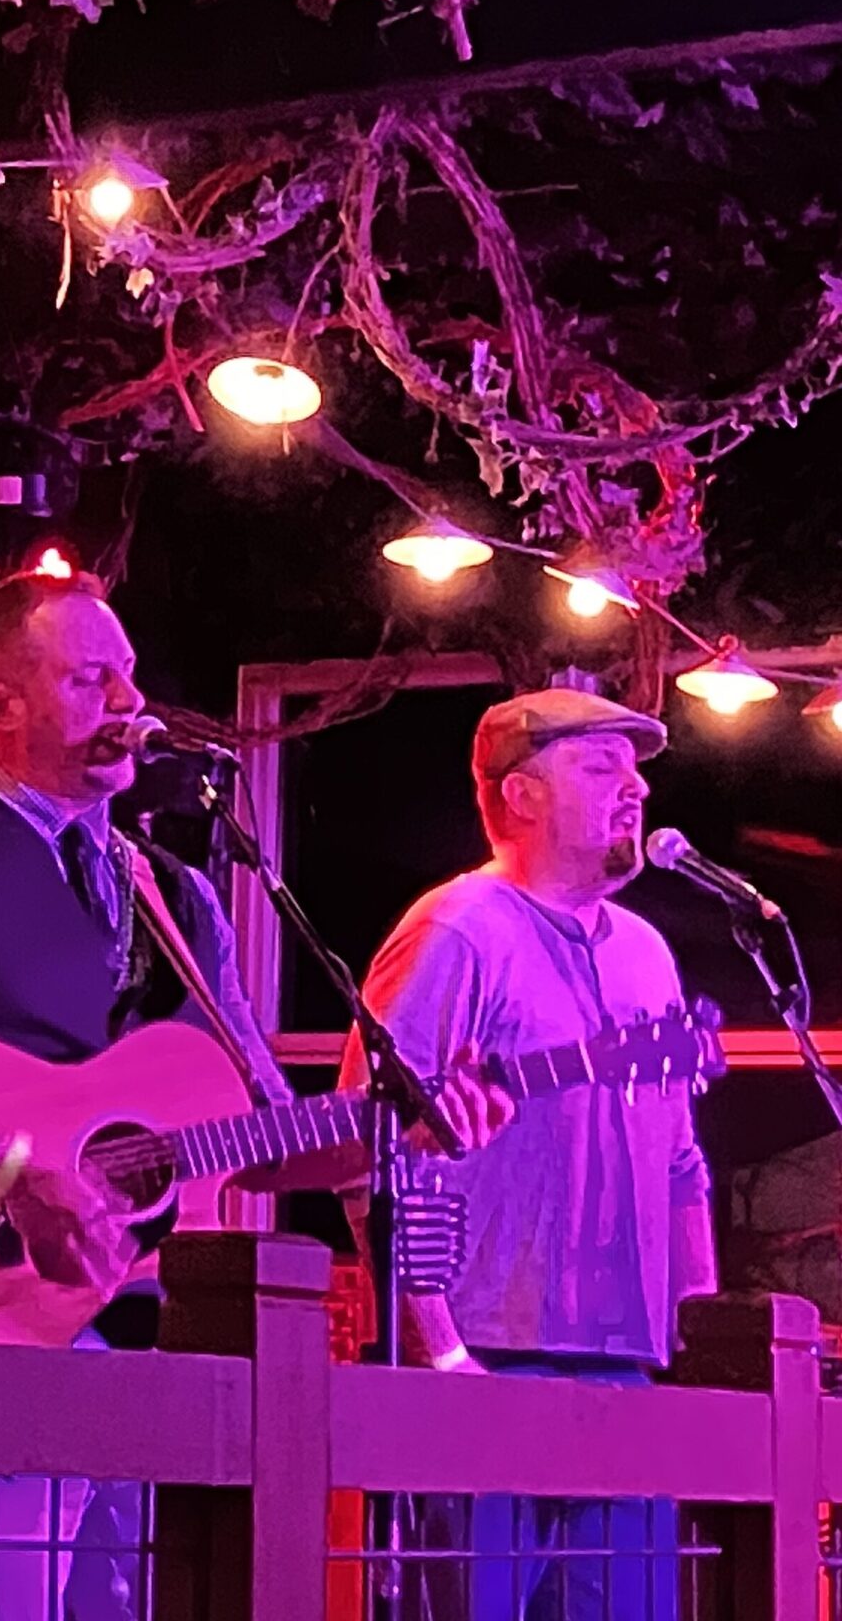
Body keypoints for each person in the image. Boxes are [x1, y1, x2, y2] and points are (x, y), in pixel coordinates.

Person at [0, 566, 502, 1621]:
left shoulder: (176, 893)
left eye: (127, 678)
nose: (129, 706)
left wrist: (400, 1127)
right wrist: (9, 1163)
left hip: (143, 1337)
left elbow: (254, 1138)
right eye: (88, 681)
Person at [343, 688, 716, 1621]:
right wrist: (442, 1354)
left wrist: (708, 1352)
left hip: (626, 1374)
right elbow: (367, 1153)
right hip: (486, 1365)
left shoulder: (647, 955)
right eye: (602, 766)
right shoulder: (455, 930)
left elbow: (682, 1167)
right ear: (521, 797)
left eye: (636, 770)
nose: (635, 788)